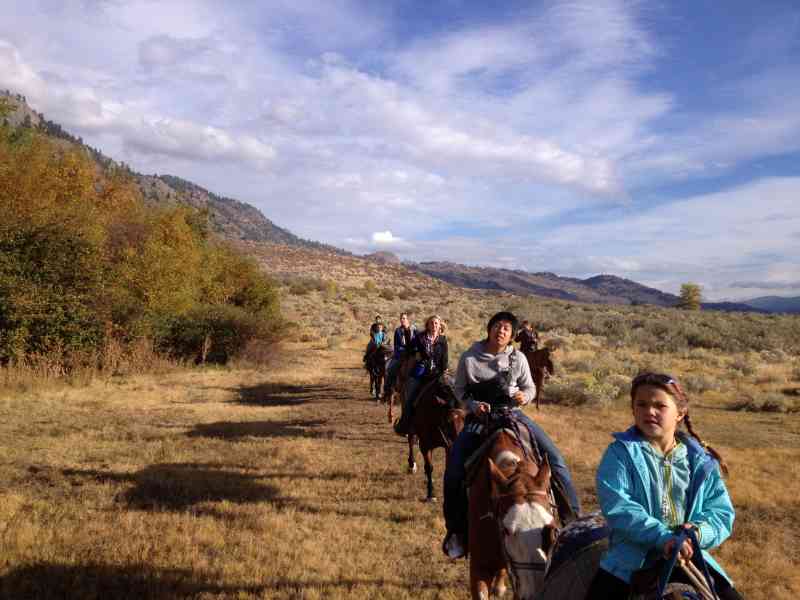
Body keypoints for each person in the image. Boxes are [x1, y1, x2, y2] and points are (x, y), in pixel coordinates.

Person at [585, 372, 744, 600]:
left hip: (690, 555)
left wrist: (696, 534)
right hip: (632, 558)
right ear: (633, 409)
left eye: (660, 405)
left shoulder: (701, 462)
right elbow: (619, 506)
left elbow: (720, 512)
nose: (649, 411)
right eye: (641, 404)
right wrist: (663, 537)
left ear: (680, 413)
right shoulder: (619, 453)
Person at [441, 311, 581, 559]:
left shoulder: (519, 358)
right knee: (453, 471)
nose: (501, 331)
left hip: (513, 416)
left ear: (512, 335)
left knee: (556, 460)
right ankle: (457, 532)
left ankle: (573, 524)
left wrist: (524, 397)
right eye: (498, 326)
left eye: (507, 328)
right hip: (479, 420)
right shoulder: (470, 357)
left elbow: (530, 387)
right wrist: (473, 406)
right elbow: (460, 389)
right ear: (489, 328)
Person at [393, 314, 448, 435]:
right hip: (420, 372)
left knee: (450, 397)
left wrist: (444, 371)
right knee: (410, 399)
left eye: (436, 323)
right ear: (427, 325)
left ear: (440, 326)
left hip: (437, 374)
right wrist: (415, 354)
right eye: (431, 323)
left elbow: (444, 360)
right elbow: (408, 350)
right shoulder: (419, 337)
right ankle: (404, 425)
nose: (434, 325)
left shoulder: (443, 340)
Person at [383, 312, 416, 399]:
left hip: (413, 354)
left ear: (408, 319)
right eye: (401, 318)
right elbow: (397, 346)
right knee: (390, 368)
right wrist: (404, 351)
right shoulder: (398, 331)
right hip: (401, 355)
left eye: (404, 318)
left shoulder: (414, 329)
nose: (402, 320)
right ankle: (387, 389)